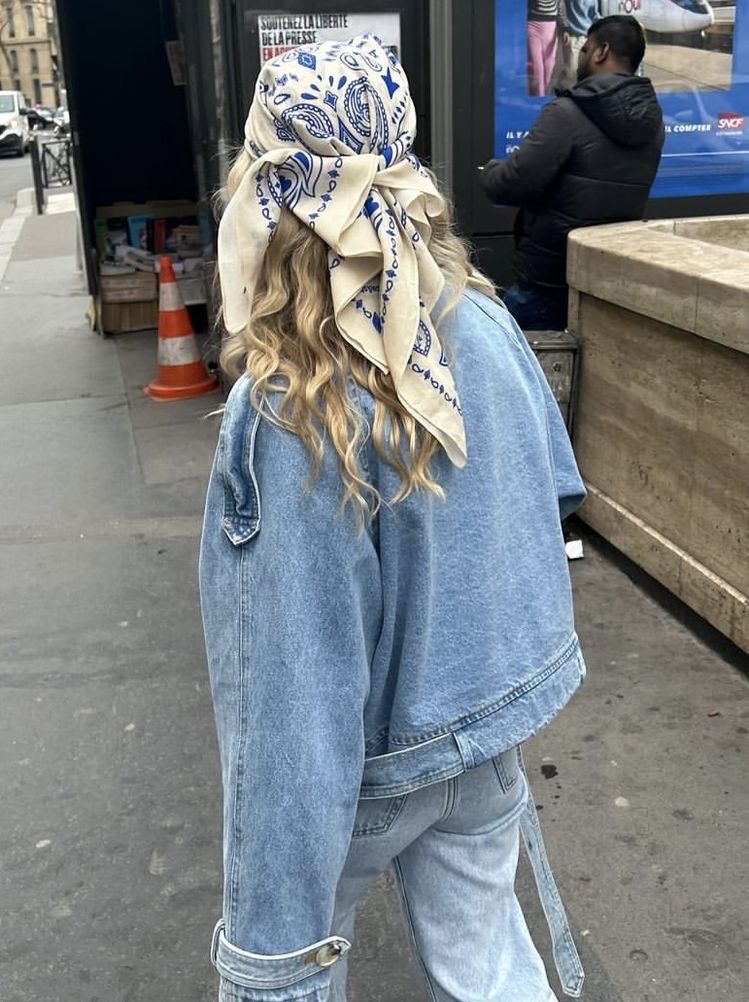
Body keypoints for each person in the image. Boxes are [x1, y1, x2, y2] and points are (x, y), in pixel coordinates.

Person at [202, 33, 587, 1002]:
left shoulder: (288, 403)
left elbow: (290, 685)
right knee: (489, 971)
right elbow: (547, 496)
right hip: (482, 736)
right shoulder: (482, 318)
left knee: (304, 961)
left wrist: (266, 960)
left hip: (373, 765)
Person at [480, 14, 664, 331]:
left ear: (601, 51)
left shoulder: (567, 113)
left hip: (546, 283)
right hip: (604, 281)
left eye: (585, 48)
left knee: (504, 346)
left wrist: (489, 170)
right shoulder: (653, 121)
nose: (581, 56)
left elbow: (512, 183)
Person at [550, 1, 600, 91]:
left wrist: (610, 22)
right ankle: (563, 91)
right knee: (571, 72)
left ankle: (560, 88)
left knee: (582, 72)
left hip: (586, 38)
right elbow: (559, 6)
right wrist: (565, 28)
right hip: (572, 37)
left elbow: (594, 16)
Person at [528, 0, 560, 96]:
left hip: (551, 25)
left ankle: (546, 96)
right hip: (532, 24)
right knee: (536, 67)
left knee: (549, 65)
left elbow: (561, 7)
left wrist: (564, 28)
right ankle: (539, 96)